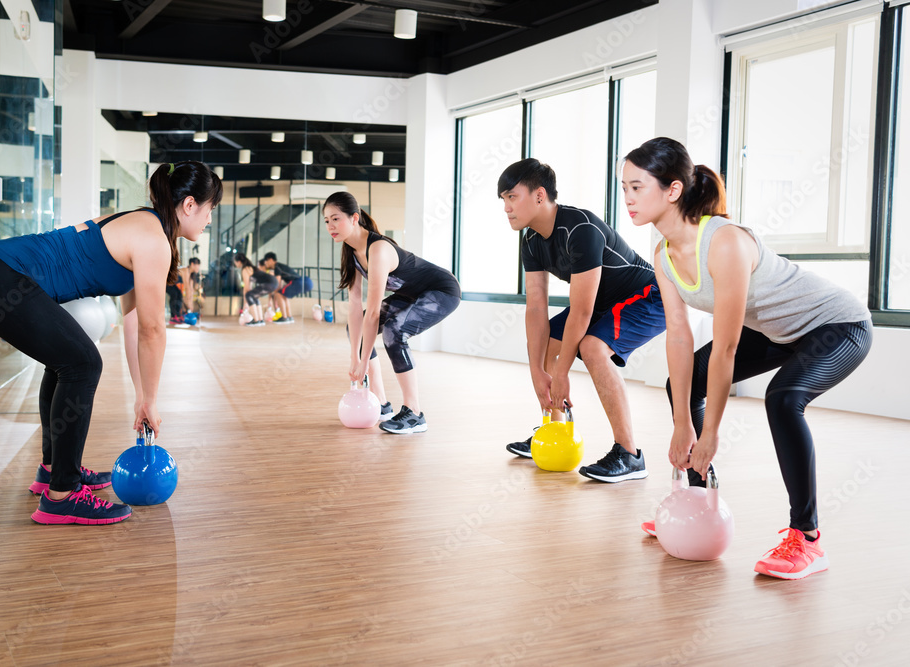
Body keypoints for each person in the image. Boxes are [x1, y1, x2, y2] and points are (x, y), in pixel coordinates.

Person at [623, 137, 872, 579]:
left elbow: (727, 347)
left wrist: (711, 432)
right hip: (780, 332)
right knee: (681, 384)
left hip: (837, 325)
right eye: (624, 187)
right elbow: (678, 338)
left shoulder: (724, 243)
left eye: (637, 187)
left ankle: (807, 539)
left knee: (782, 398)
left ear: (673, 190)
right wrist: (683, 422)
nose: (627, 198)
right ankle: (696, 503)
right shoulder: (663, 254)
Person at [0, 160, 222, 525]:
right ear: (190, 205)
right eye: (210, 210)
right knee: (82, 364)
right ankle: (62, 496)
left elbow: (133, 325)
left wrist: (143, 398)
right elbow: (152, 331)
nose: (209, 220)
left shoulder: (141, 222)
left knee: (67, 361)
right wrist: (152, 401)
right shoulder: (154, 240)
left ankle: (54, 471)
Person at [498, 159, 666, 482]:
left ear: (539, 195)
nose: (506, 207)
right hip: (602, 303)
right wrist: (537, 371)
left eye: (512, 197)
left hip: (649, 295)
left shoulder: (579, 228)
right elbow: (536, 308)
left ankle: (630, 454)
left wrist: (561, 374)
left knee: (592, 347)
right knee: (546, 343)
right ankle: (554, 431)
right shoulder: (531, 241)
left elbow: (582, 311)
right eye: (503, 200)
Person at [325, 191, 460, 434]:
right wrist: (355, 357)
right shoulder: (351, 252)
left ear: (354, 218)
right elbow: (356, 308)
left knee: (394, 331)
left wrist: (364, 360)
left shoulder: (377, 249)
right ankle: (382, 404)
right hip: (411, 295)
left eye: (336, 219)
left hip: (442, 290)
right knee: (354, 330)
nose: (330, 226)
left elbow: (373, 313)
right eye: (326, 221)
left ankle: (415, 413)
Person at [263, 251, 313, 323]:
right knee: (283, 295)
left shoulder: (277, 267)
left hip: (299, 282)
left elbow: (277, 283)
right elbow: (279, 284)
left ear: (271, 260)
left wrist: (273, 294)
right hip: (307, 282)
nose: (265, 263)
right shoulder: (279, 267)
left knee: (278, 294)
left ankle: (284, 317)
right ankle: (289, 317)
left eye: (266, 261)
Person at [234, 253, 278, 326]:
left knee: (249, 295)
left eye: (235, 263)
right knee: (253, 296)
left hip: (271, 283)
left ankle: (256, 320)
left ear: (238, 262)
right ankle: (260, 320)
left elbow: (246, 287)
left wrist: (245, 303)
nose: (235, 264)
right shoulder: (249, 268)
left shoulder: (245, 269)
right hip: (273, 282)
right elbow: (249, 287)